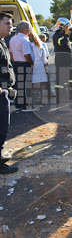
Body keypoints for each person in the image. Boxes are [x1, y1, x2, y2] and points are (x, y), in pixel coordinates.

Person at [0, 12, 18, 174]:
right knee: (1, 126)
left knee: (3, 125)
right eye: (7, 23)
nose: (11, 26)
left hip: (4, 89)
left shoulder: (2, 42)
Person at [9, 20, 34, 111]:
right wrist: (31, 63)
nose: (30, 30)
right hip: (24, 64)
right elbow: (26, 55)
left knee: (18, 85)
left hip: (15, 63)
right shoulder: (24, 40)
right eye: (28, 28)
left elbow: (11, 53)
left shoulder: (13, 39)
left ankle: (18, 105)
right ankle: (25, 106)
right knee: (26, 85)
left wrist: (14, 61)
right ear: (23, 29)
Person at [52, 17, 72, 105]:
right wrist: (67, 36)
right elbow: (62, 43)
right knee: (60, 80)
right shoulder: (57, 35)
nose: (68, 29)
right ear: (62, 27)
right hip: (61, 60)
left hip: (66, 60)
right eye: (66, 27)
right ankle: (59, 98)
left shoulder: (63, 35)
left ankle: (64, 96)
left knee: (65, 79)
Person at [28, 32, 48, 106]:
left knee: (32, 85)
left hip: (33, 65)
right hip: (40, 66)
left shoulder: (28, 45)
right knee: (42, 84)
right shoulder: (40, 45)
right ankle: (44, 100)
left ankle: (32, 101)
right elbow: (44, 58)